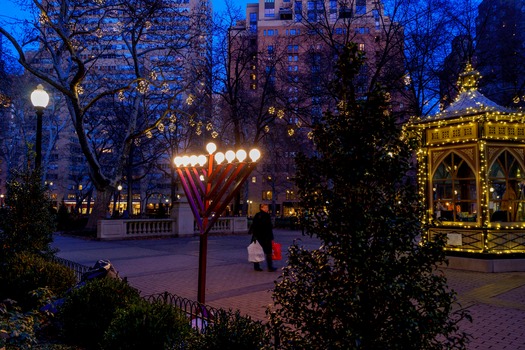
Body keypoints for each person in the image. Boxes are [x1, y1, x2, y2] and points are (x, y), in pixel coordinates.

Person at [250, 204, 277, 272]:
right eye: (265, 207)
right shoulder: (266, 216)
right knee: (268, 252)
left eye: (267, 207)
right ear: (262, 208)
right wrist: (271, 237)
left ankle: (256, 266)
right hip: (265, 237)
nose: (267, 208)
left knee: (257, 251)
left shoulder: (257, 215)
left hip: (258, 236)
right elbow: (268, 227)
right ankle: (269, 267)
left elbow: (254, 225)